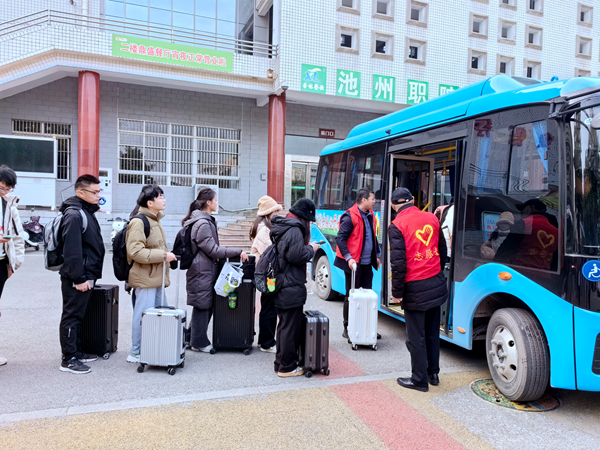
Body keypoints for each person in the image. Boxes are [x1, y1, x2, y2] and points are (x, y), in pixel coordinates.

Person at [388, 187, 448, 392]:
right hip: (435, 283)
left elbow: (398, 264)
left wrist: (396, 293)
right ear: (413, 200)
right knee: (432, 331)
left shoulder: (396, 225)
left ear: (393, 206)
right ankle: (433, 373)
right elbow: (442, 250)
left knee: (415, 337)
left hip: (414, 287)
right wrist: (437, 273)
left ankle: (419, 380)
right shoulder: (432, 218)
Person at [184, 188, 248, 353]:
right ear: (208, 202)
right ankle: (199, 342)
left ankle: (190, 338)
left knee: (202, 303)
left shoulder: (203, 220)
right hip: (201, 270)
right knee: (203, 305)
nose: (217, 203)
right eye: (215, 200)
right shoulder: (203, 223)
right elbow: (213, 250)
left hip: (202, 268)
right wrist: (237, 250)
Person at [58, 174, 105, 374]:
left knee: (79, 315)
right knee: (72, 316)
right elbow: (72, 250)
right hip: (78, 276)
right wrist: (79, 278)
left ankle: (76, 351)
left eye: (99, 191)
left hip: (86, 274)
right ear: (80, 192)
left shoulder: (86, 212)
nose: (98, 196)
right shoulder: (75, 214)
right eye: (95, 192)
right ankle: (68, 359)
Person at [126, 184, 177, 363]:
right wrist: (164, 256)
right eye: (160, 197)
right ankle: (136, 351)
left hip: (156, 278)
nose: (164, 200)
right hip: (145, 278)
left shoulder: (155, 220)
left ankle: (154, 347)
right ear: (150, 202)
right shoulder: (139, 222)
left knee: (160, 314)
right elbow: (135, 252)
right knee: (144, 315)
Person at [270, 198, 320, 377]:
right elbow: (295, 255)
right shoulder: (295, 230)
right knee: (290, 327)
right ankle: (287, 366)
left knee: (284, 326)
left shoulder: (285, 226)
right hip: (290, 284)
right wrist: (311, 249)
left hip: (283, 284)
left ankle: (280, 362)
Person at [334, 188, 381, 340]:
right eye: (372, 198)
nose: (375, 201)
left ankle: (367, 328)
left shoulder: (371, 215)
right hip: (354, 265)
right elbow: (340, 239)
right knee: (351, 296)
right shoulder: (350, 216)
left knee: (367, 296)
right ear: (363, 200)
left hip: (367, 264)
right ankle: (347, 327)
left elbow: (372, 237)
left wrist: (377, 256)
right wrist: (348, 258)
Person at [250, 195, 283, 353]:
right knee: (269, 308)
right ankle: (266, 342)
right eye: (275, 211)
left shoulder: (264, 226)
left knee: (269, 306)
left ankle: (266, 340)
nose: (277, 214)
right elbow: (271, 253)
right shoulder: (264, 230)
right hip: (268, 275)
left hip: (267, 274)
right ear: (268, 213)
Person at [0, 166, 25, 367]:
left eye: (7, 189)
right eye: (1, 187)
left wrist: (13, 265)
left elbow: (17, 237)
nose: (4, 192)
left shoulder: (9, 206)